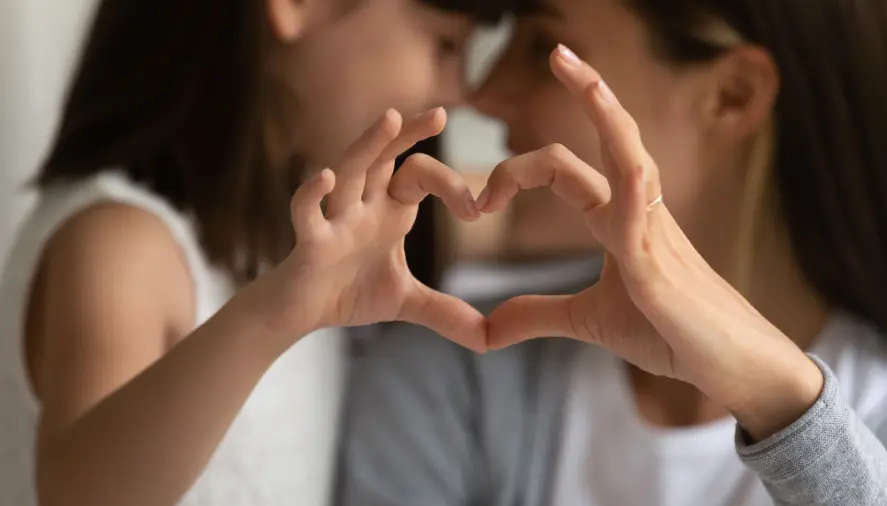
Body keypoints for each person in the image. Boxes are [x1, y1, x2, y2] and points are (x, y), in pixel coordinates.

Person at [337, 0, 887, 505]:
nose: (481, 94)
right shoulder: (452, 376)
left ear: (733, 97)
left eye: (541, 47)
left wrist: (782, 403)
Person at [0, 0, 516, 504]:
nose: (459, 92)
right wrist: (271, 318)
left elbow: (507, 214)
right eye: (445, 44)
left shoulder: (301, 228)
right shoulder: (122, 248)